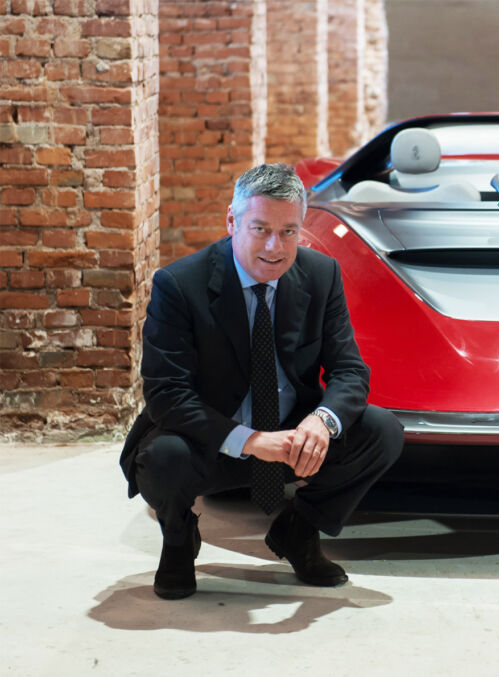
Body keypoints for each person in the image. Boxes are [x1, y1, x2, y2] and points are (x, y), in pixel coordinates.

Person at [120, 163, 403, 600]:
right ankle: (177, 538)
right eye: (261, 229)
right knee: (161, 458)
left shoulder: (321, 275)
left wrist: (321, 423)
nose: (276, 246)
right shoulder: (179, 284)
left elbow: (350, 370)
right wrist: (250, 440)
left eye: (289, 231)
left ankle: (299, 530)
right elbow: (166, 395)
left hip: (292, 435)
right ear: (232, 222)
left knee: (383, 431)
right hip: (213, 438)